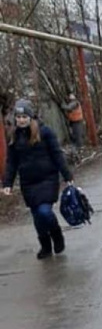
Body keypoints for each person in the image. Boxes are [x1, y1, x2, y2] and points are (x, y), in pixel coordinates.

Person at [2, 100, 74, 260]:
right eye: (18, 117)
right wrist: (7, 183)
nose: (21, 120)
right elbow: (11, 162)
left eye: (24, 116)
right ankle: (45, 246)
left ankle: (56, 234)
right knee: (37, 217)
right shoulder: (13, 136)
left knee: (44, 212)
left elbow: (57, 154)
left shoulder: (45, 132)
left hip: (47, 179)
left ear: (30, 116)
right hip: (28, 183)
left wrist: (67, 176)